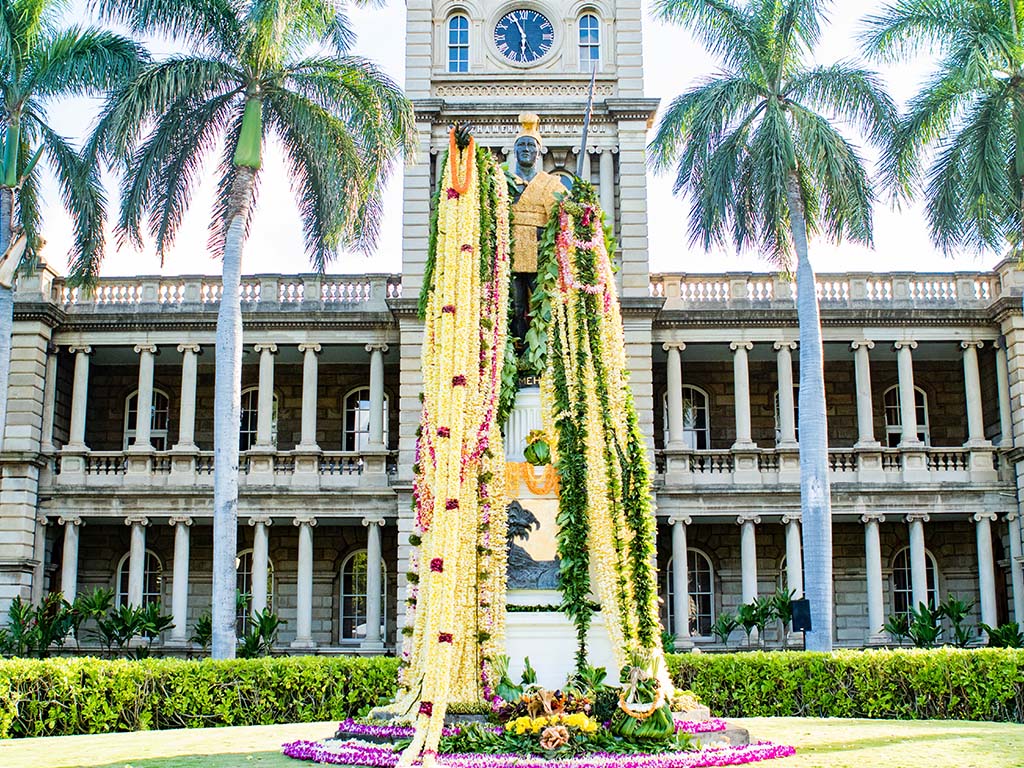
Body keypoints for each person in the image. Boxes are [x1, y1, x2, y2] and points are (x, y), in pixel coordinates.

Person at [506, 113, 572, 344]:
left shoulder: (552, 184)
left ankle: (546, 353)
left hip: (541, 253)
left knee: (546, 306)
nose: (525, 149)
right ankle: (520, 351)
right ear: (515, 151)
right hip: (511, 253)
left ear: (538, 152)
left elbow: (565, 215)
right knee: (516, 306)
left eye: (530, 145)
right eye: (521, 144)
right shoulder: (502, 181)